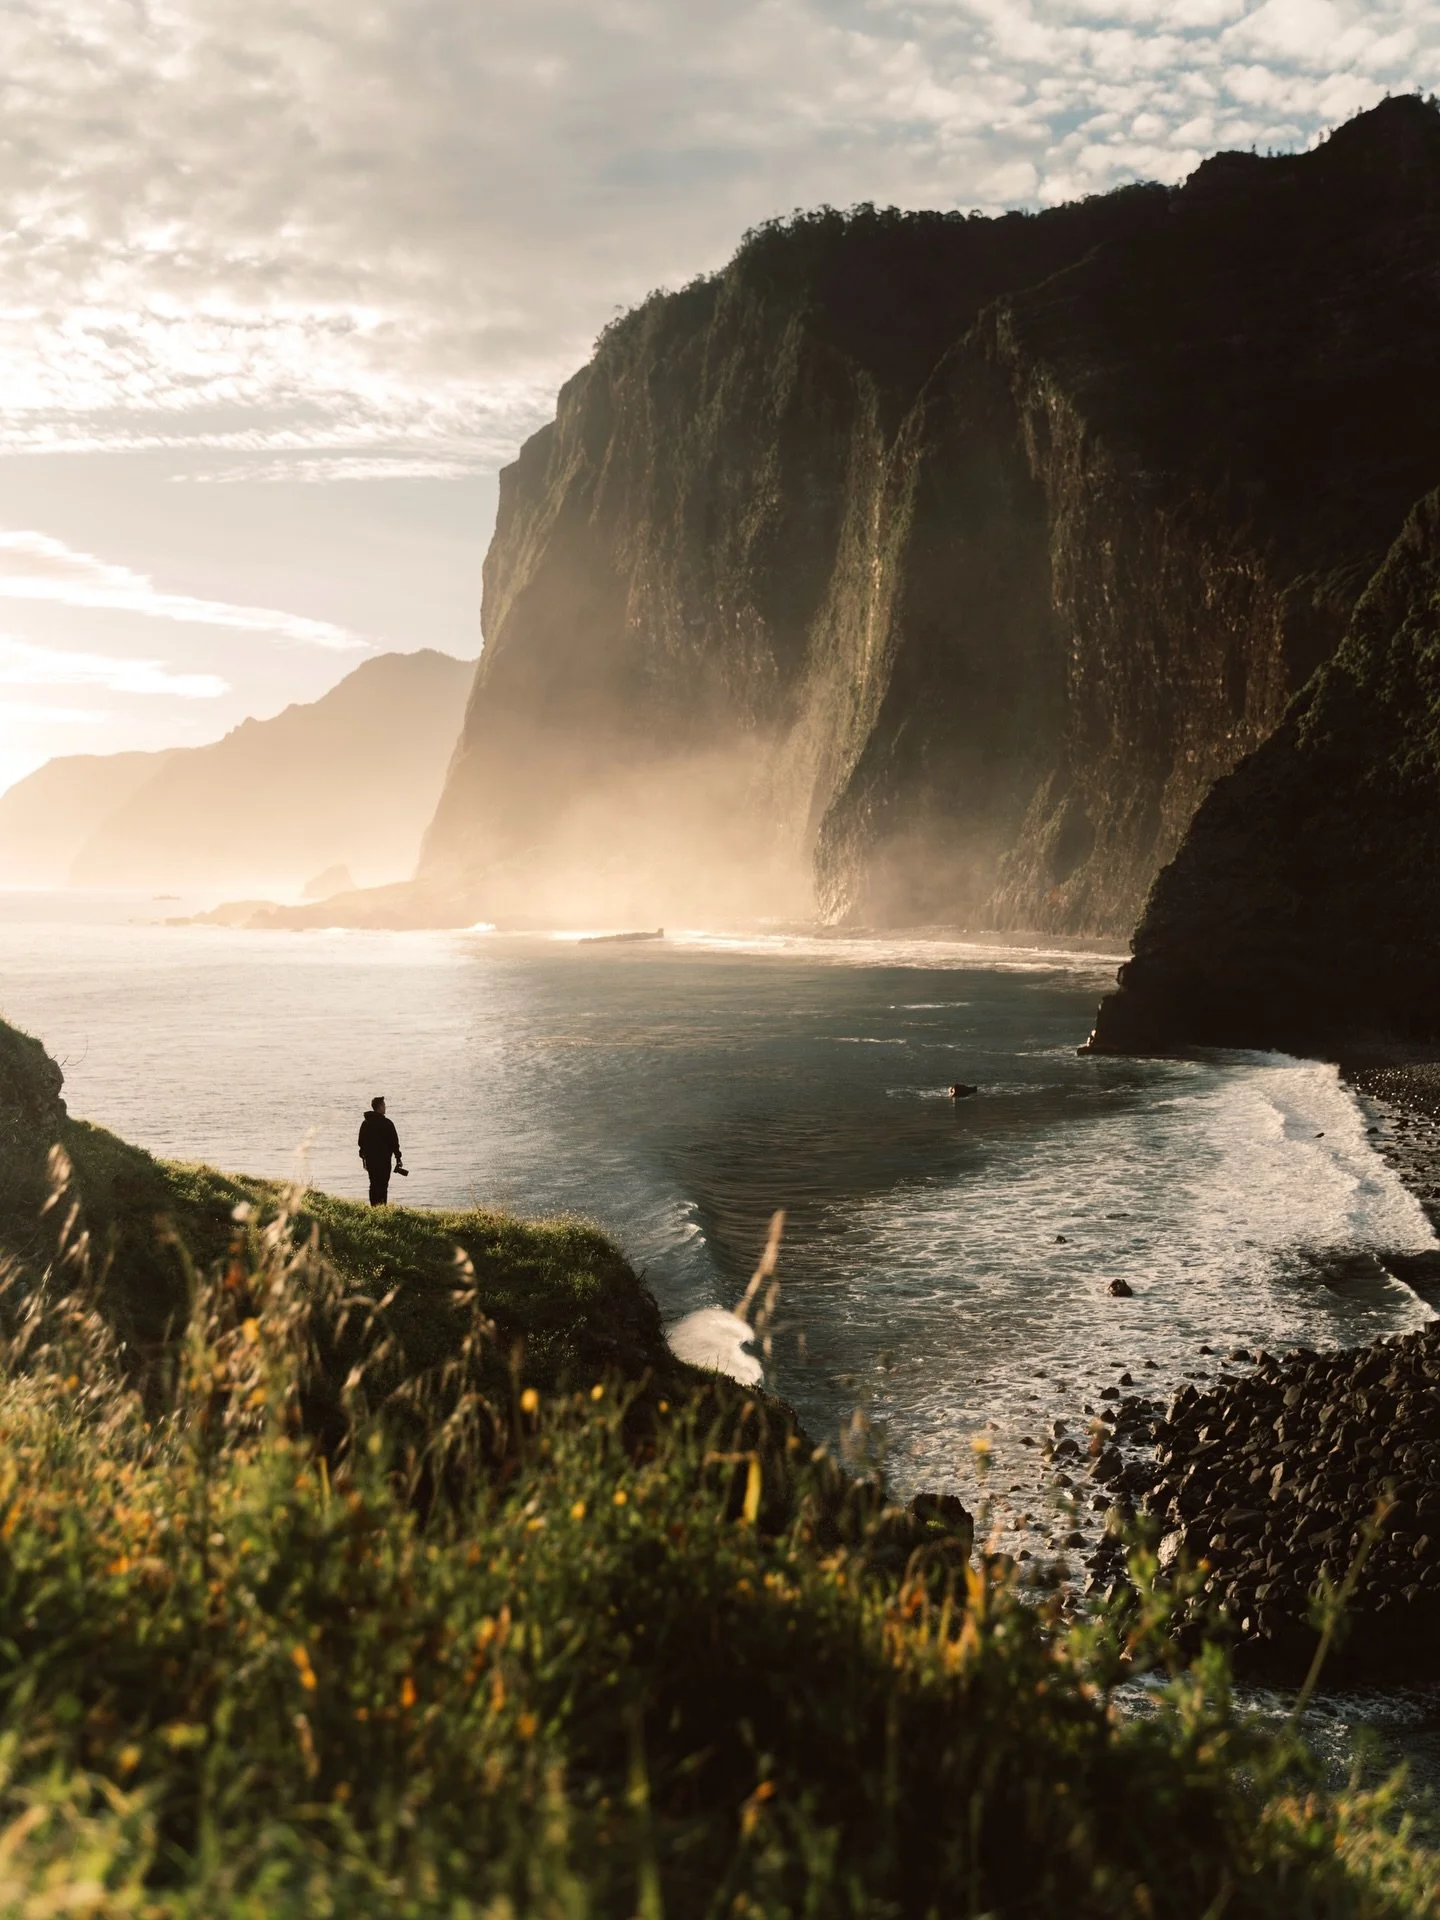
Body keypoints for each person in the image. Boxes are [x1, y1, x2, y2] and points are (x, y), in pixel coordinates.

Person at [358, 1095, 406, 1205]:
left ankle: (374, 1207)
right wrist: (398, 1158)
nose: (385, 1107)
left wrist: (363, 1158)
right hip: (384, 1160)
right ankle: (382, 1207)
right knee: (383, 1185)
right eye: (384, 1105)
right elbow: (394, 1143)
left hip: (370, 1160)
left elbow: (361, 1143)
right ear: (379, 1107)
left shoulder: (366, 1123)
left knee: (373, 1184)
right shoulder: (387, 1123)